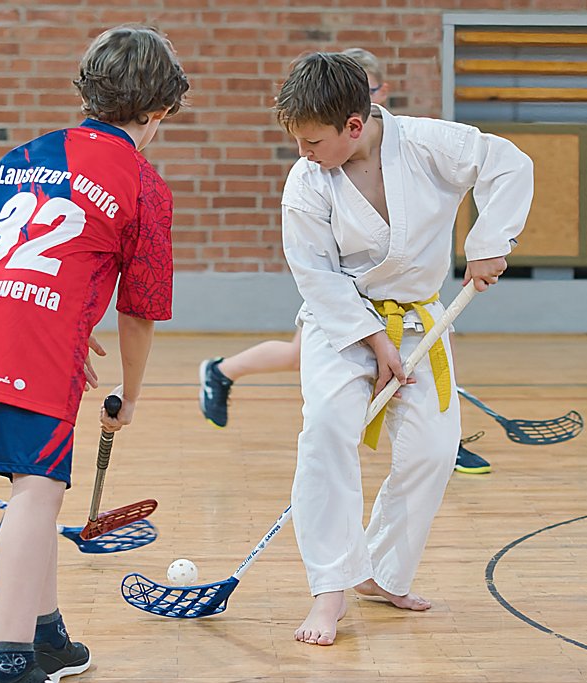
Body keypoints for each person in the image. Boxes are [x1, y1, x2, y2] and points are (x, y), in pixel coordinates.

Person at [0, 24, 188, 683]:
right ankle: (7, 671)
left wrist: (60, 322)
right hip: (35, 331)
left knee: (36, 483)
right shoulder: (142, 180)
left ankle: (47, 634)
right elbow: (140, 311)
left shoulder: (24, 154)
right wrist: (129, 397)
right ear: (157, 113)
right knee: (37, 491)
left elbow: (29, 250)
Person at [275, 52, 532, 645]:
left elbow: (510, 164)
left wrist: (490, 239)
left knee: (433, 450)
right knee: (328, 433)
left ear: (355, 126)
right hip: (342, 324)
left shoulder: (427, 144)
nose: (303, 153)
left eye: (313, 141)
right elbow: (314, 272)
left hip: (419, 320)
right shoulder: (307, 181)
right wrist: (371, 340)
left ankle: (383, 573)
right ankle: (330, 590)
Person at [198, 48, 492, 474]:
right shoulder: (317, 171)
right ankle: (222, 370)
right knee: (307, 364)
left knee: (325, 365)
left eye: (375, 94)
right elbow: (319, 274)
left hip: (394, 308)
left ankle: (437, 437)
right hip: (343, 297)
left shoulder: (410, 147)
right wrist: (374, 336)